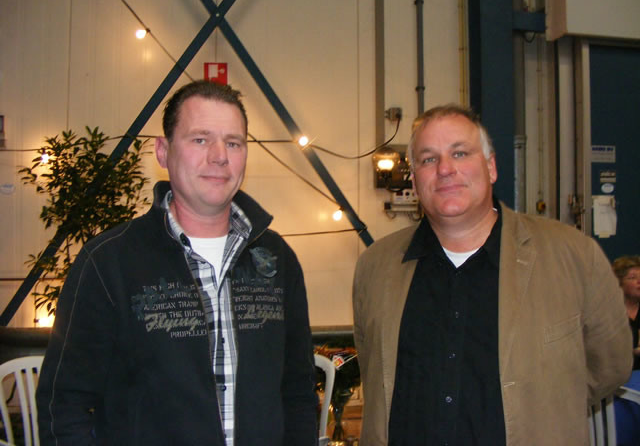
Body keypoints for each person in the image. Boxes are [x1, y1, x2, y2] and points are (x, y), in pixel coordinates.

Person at [36, 80, 318, 445]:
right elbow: (64, 404)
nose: (220, 156)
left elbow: (297, 391)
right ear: (163, 151)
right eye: (200, 139)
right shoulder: (109, 262)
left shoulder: (277, 260)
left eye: (233, 143)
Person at [352, 103, 632, 445]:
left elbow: (610, 365)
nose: (445, 169)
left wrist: (546, 405)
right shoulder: (375, 267)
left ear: (491, 167)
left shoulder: (572, 255)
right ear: (414, 178)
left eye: (460, 153)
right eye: (428, 159)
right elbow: (374, 370)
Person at [613, 255, 640, 369]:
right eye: (632, 277)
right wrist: (634, 352)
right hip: (616, 373)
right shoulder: (607, 314)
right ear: (619, 283)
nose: (639, 281)